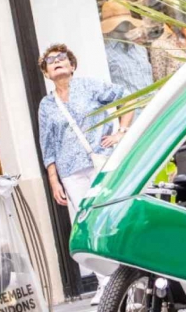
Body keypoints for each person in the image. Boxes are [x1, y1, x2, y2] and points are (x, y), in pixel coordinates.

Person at [37, 43, 133, 223]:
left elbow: (126, 98)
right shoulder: (46, 105)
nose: (56, 61)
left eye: (61, 57)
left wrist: (121, 132)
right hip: (70, 173)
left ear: (72, 66)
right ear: (46, 73)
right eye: (50, 60)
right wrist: (54, 181)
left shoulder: (90, 86)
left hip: (101, 160)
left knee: (113, 212)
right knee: (88, 220)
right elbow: (47, 145)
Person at [99, 0, 155, 96]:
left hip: (155, 105)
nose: (125, 24)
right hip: (132, 109)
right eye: (121, 21)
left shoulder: (140, 49)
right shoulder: (105, 55)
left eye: (126, 20)